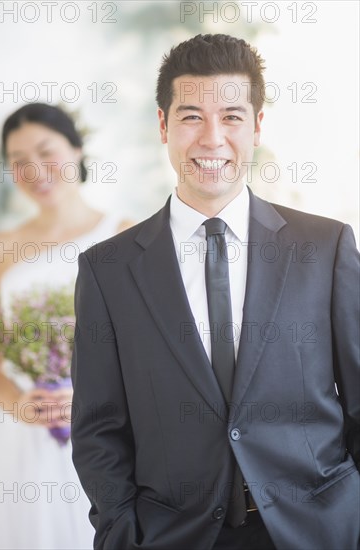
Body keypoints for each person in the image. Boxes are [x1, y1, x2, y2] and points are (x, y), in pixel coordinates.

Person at [71, 34, 360, 550]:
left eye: (230, 115)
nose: (211, 139)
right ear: (163, 126)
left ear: (256, 125)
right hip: (171, 535)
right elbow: (99, 429)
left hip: (315, 531)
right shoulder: (107, 270)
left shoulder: (325, 247)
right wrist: (121, 532)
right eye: (190, 117)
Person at [0, 102, 132, 549]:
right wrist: (19, 405)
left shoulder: (126, 236)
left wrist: (90, 399)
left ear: (78, 149)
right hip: (23, 442)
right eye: (19, 161)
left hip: (110, 435)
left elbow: (147, 353)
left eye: (47, 152)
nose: (35, 170)